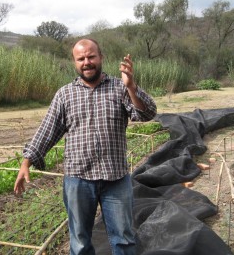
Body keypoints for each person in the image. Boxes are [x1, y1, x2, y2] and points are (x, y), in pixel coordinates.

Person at [14, 38, 157, 255]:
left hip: (115, 178)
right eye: (81, 58)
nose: (86, 62)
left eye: (91, 56)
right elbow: (47, 130)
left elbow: (147, 113)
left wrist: (131, 87)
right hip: (78, 180)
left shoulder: (120, 88)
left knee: (124, 239)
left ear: (101, 58)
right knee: (80, 242)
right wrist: (26, 162)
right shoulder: (65, 94)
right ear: (75, 62)